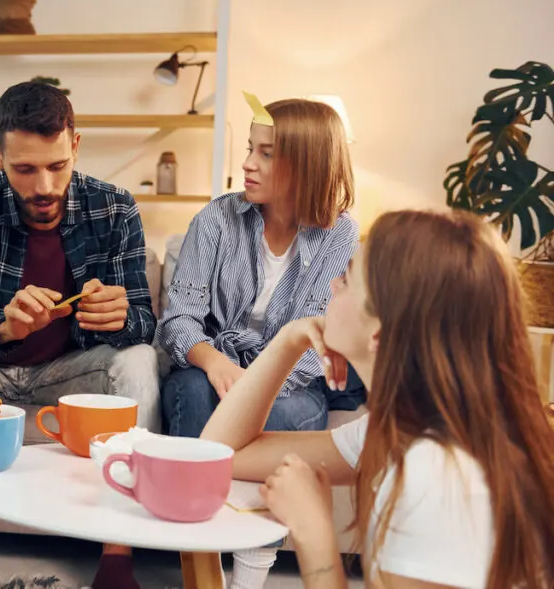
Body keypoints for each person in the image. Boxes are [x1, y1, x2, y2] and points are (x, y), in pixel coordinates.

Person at [201, 209, 554, 589]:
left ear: (379, 334)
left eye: (348, 279)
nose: (333, 285)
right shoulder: (405, 430)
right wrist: (287, 341)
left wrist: (314, 534)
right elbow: (220, 454)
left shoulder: (439, 475)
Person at [0, 81, 160, 589]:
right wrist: (2, 326)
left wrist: (121, 315)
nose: (44, 185)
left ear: (75, 146)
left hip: (71, 377)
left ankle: (117, 556)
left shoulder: (114, 208)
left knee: (140, 361)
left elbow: (145, 324)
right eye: (24, 169)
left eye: (57, 166)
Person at [156, 98, 363, 587]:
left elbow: (314, 343)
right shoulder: (216, 220)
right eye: (251, 149)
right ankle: (197, 558)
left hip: (291, 383)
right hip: (211, 367)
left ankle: (249, 574)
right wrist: (213, 363)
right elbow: (178, 319)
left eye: (266, 153)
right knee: (190, 392)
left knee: (285, 416)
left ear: (307, 163)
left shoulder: (340, 236)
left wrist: (256, 384)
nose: (247, 163)